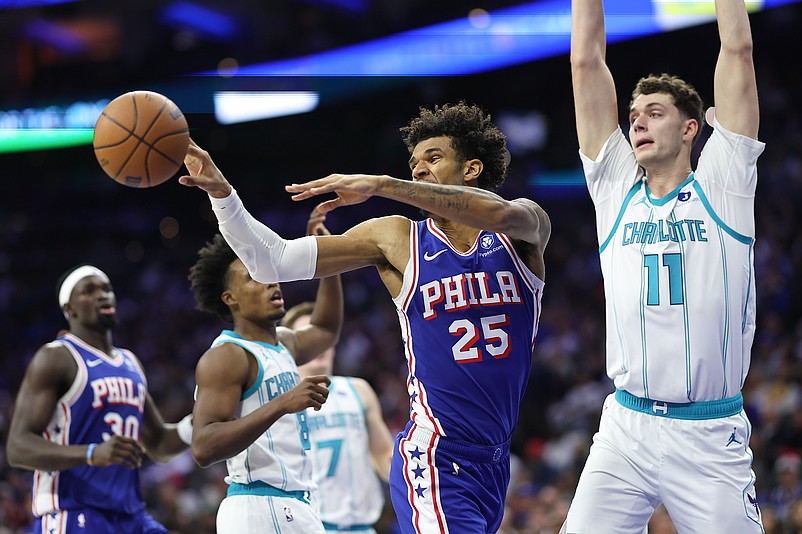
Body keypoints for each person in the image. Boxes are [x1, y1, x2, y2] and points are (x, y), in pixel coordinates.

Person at [179, 100, 551, 533]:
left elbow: (497, 213)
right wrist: (222, 194)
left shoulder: (524, 225)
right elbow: (271, 260)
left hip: (494, 459)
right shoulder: (397, 237)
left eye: (433, 158)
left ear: (471, 169)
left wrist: (380, 183)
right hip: (435, 455)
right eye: (413, 163)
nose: (418, 169)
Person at [564, 0, 765, 532]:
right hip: (626, 426)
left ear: (691, 129)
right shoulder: (614, 190)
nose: (638, 122)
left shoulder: (724, 184)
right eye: (634, 116)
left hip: (707, 432)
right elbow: (586, 64)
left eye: (655, 113)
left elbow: (737, 52)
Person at [6, 264, 193, 533]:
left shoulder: (131, 362)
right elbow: (17, 447)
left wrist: (197, 423)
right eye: (89, 291)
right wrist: (92, 453)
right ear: (69, 309)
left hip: (130, 516)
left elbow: (160, 443)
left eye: (107, 289)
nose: (102, 295)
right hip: (74, 512)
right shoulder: (56, 357)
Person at [187, 227, 343, 534]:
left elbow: (326, 329)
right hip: (259, 504)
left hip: (296, 505)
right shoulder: (227, 356)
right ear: (230, 298)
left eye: (269, 272)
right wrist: (281, 404)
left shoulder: (284, 344)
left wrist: (327, 258)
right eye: (253, 277)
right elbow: (203, 447)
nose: (271, 280)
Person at [281, 205, 395, 534]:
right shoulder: (281, 399)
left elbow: (384, 454)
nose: (318, 349)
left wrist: (420, 483)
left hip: (362, 526)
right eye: (305, 339)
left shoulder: (357, 389)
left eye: (319, 339)